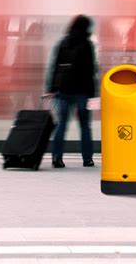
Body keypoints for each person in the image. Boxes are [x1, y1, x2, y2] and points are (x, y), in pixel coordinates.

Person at [44, 15, 98, 168]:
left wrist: (51, 89)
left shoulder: (63, 43)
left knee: (61, 125)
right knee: (85, 126)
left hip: (63, 91)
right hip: (82, 92)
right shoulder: (87, 45)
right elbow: (90, 71)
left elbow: (54, 67)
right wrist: (93, 94)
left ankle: (57, 158)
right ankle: (87, 159)